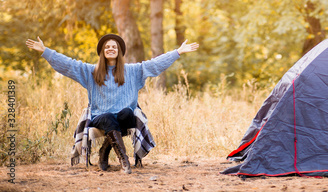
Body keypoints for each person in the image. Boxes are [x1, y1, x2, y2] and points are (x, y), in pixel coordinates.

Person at [26, 34, 199, 174]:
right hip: (100, 117)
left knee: (127, 112)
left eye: (114, 47)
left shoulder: (132, 71)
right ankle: (124, 161)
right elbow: (68, 65)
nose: (110, 49)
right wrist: (46, 51)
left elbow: (155, 65)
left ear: (119, 51)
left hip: (123, 119)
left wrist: (177, 52)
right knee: (109, 117)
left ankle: (104, 151)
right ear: (102, 51)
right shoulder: (91, 71)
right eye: (107, 47)